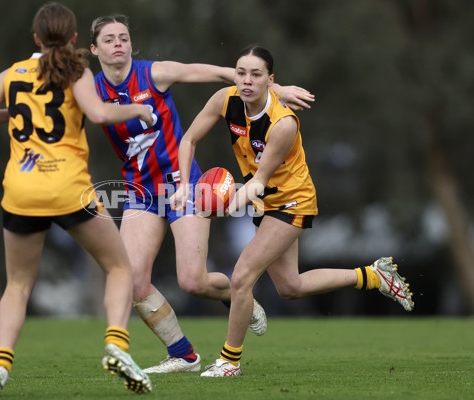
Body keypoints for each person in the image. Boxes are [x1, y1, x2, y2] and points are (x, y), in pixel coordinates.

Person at [89, 15, 316, 374]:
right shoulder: (89, 88)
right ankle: (183, 354)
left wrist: (278, 90)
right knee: (133, 281)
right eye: (108, 39)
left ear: (132, 45)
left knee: (192, 282)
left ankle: (236, 295)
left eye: (124, 38)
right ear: (94, 49)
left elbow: (224, 73)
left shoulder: (155, 73)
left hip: (184, 186)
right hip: (140, 192)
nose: (117, 44)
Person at [170, 45, 415, 377]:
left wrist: (221, 204)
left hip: (291, 202)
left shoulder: (283, 123)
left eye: (256, 75)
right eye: (241, 73)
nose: (246, 81)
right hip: (263, 202)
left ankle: (229, 362)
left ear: (270, 81)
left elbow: (257, 182)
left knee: (241, 278)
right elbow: (188, 141)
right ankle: (373, 275)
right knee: (290, 287)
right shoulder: (225, 99)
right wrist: (185, 184)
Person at [0, 3, 153, 395]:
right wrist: (139, 110)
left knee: (17, 285)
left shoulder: (13, 73)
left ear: (35, 38)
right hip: (69, 189)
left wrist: (13, 111)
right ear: (76, 39)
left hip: (21, 191)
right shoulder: (76, 71)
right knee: (118, 267)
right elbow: (98, 114)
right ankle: (117, 344)